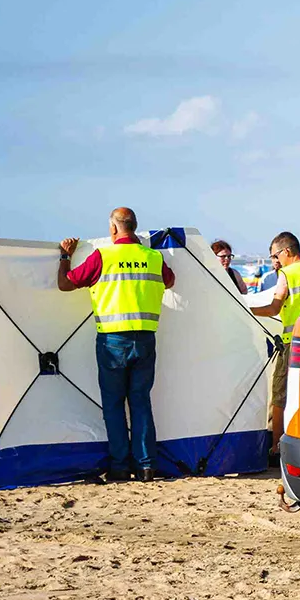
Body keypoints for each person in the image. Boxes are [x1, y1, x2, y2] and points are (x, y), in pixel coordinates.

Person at [57, 207, 175, 482]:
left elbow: (65, 284)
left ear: (113, 228)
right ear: (134, 226)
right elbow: (170, 282)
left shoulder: (103, 256)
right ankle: (146, 466)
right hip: (145, 339)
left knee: (113, 404)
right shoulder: (153, 257)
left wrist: (65, 256)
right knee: (141, 403)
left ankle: (120, 467)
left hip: (112, 341)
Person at [248, 233, 300, 460]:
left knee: (280, 394)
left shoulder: (287, 274)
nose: (276, 261)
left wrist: (247, 310)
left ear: (286, 251)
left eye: (276, 256)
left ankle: (276, 447)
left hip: (293, 343)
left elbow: (274, 308)